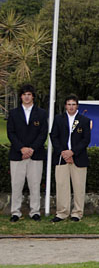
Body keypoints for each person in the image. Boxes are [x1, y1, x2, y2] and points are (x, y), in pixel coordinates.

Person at [7, 84, 48, 222]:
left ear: (33, 97)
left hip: (35, 155)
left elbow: (43, 134)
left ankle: (35, 211)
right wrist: (22, 148)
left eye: (29, 94)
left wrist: (31, 149)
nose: (26, 97)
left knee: (35, 184)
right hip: (17, 155)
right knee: (16, 184)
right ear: (21, 97)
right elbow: (11, 133)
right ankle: (15, 212)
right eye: (24, 94)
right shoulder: (13, 113)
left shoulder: (41, 113)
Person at [50, 94, 92, 222]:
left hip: (78, 158)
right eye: (69, 104)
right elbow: (54, 136)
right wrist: (64, 153)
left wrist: (73, 152)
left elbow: (86, 140)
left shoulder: (84, 120)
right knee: (62, 186)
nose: (71, 107)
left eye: (73, 104)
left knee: (79, 187)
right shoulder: (58, 119)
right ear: (65, 106)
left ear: (77, 106)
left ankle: (77, 213)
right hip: (61, 158)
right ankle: (62, 213)